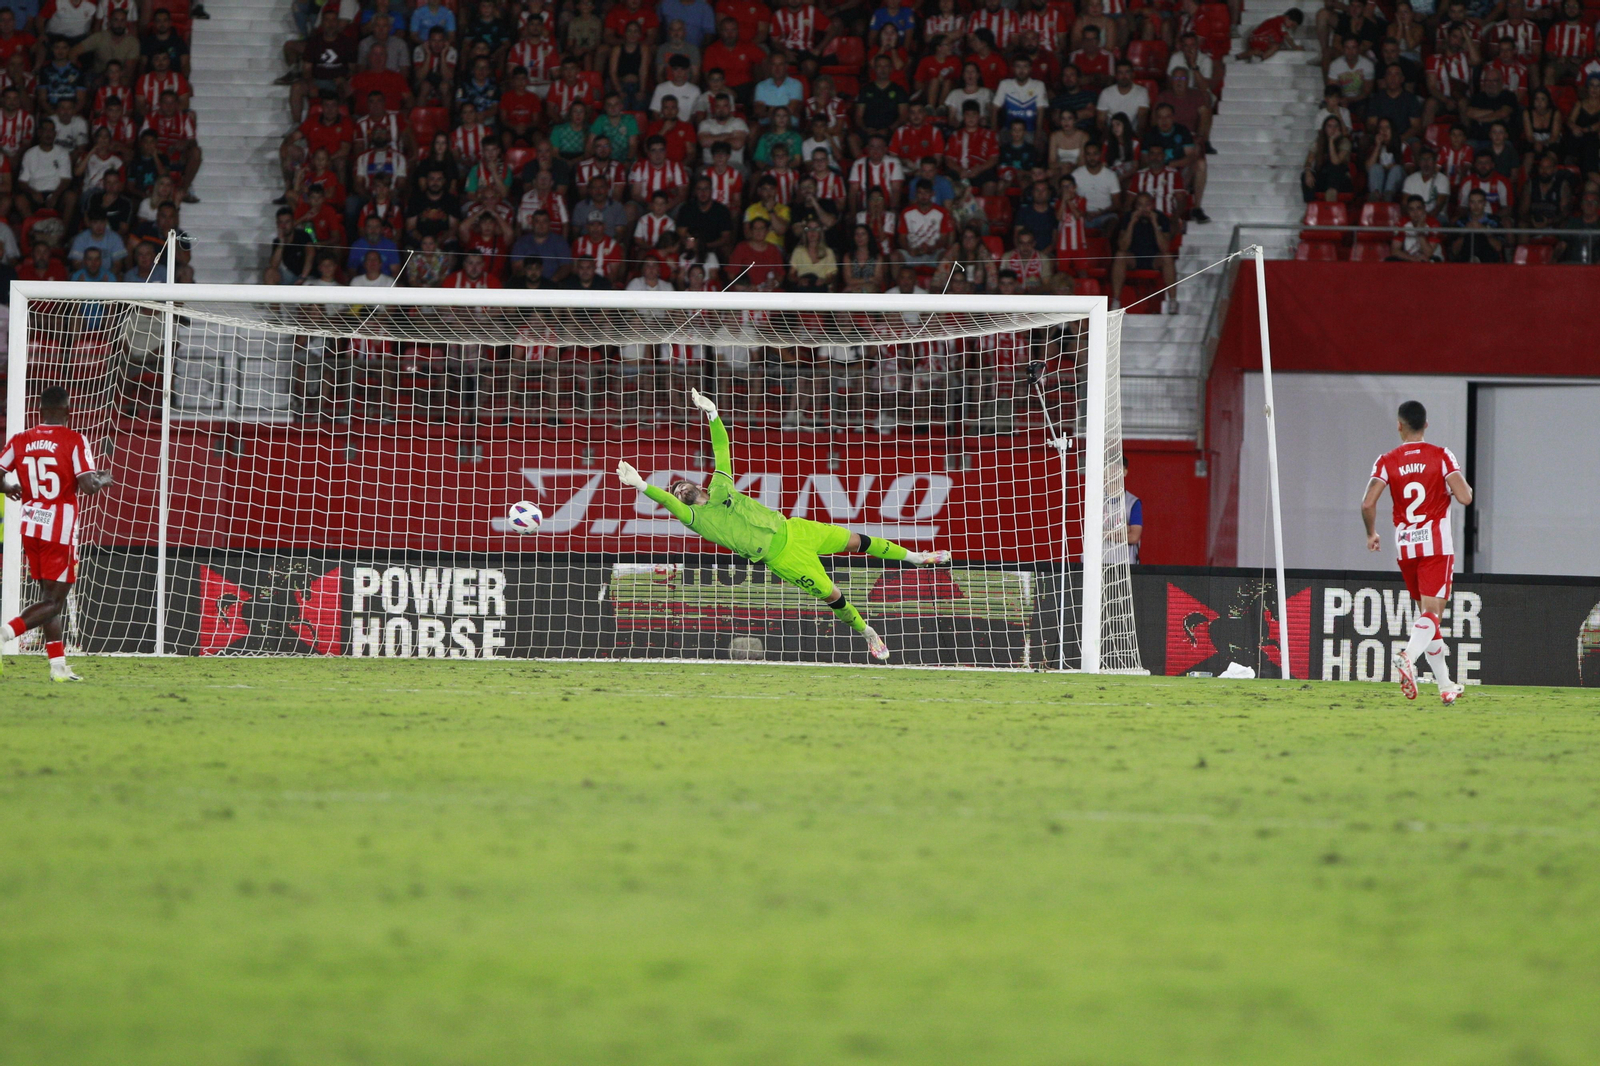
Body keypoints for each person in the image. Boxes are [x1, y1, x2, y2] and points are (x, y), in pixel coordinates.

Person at [613, 389, 951, 662]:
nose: (678, 491)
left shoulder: (720, 484)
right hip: (783, 558)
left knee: (858, 541)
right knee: (833, 595)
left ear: (696, 485)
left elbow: (722, 448)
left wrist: (713, 413)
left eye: (680, 485)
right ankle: (869, 634)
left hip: (796, 529)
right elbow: (668, 501)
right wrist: (643, 485)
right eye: (675, 492)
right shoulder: (695, 519)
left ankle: (918, 558)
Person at [1359, 400, 1472, 705]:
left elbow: (1368, 503)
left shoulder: (1387, 460)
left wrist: (1371, 533)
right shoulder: (1441, 455)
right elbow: (1465, 497)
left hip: (1406, 546)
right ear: (1426, 424)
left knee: (1428, 617)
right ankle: (1408, 656)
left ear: (1400, 425)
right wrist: (1454, 488)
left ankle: (1446, 685)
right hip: (1436, 545)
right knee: (1433, 614)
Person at [0, 385, 116, 682]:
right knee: (54, 602)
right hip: (59, 530)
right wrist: (103, 479)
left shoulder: (20, 439)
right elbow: (88, 486)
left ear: (39, 410)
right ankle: (7, 632)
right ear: (68, 411)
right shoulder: (74, 440)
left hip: (31, 526)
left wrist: (9, 487)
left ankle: (58, 666)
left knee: (46, 599)